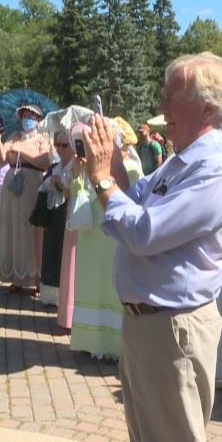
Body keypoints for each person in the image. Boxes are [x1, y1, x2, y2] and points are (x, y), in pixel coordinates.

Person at [83, 52, 222, 442]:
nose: (161, 108)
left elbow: (144, 232)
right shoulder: (180, 160)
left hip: (173, 329)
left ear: (208, 109)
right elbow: (135, 203)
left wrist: (102, 180)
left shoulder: (216, 169)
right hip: (152, 326)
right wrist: (113, 167)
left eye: (171, 98)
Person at [69, 121, 143, 360]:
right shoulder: (89, 166)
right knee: (91, 285)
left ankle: (113, 346)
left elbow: (133, 200)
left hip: (112, 235)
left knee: (110, 288)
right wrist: (78, 175)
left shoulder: (131, 168)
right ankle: (90, 342)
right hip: (90, 235)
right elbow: (78, 194)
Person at [0, 104, 53, 293]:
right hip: (13, 185)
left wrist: (21, 151)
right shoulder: (14, 136)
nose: (27, 119)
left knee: (32, 229)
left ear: (38, 119)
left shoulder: (43, 138)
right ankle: (18, 278)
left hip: (33, 185)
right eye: (24, 116)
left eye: (31, 116)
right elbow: (1, 159)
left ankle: (37, 278)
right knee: (14, 228)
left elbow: (45, 161)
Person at [38, 131, 74, 306]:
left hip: (68, 215)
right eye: (57, 145)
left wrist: (60, 185)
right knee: (50, 254)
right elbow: (42, 188)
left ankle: (64, 298)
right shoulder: (54, 167)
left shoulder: (77, 167)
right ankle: (49, 295)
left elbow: (75, 192)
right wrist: (50, 182)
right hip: (52, 215)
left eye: (64, 145)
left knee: (63, 256)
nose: (60, 149)